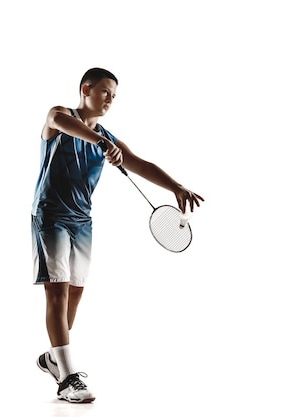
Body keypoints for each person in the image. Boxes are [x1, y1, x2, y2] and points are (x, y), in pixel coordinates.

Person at [31, 68, 204, 403]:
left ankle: (54, 356)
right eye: (105, 92)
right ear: (86, 89)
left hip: (83, 221)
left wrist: (175, 186)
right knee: (57, 292)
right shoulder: (61, 117)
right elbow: (59, 120)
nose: (110, 99)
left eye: (114, 95)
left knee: (76, 293)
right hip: (51, 216)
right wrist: (100, 141)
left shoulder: (108, 137)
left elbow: (140, 163)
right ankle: (67, 377)